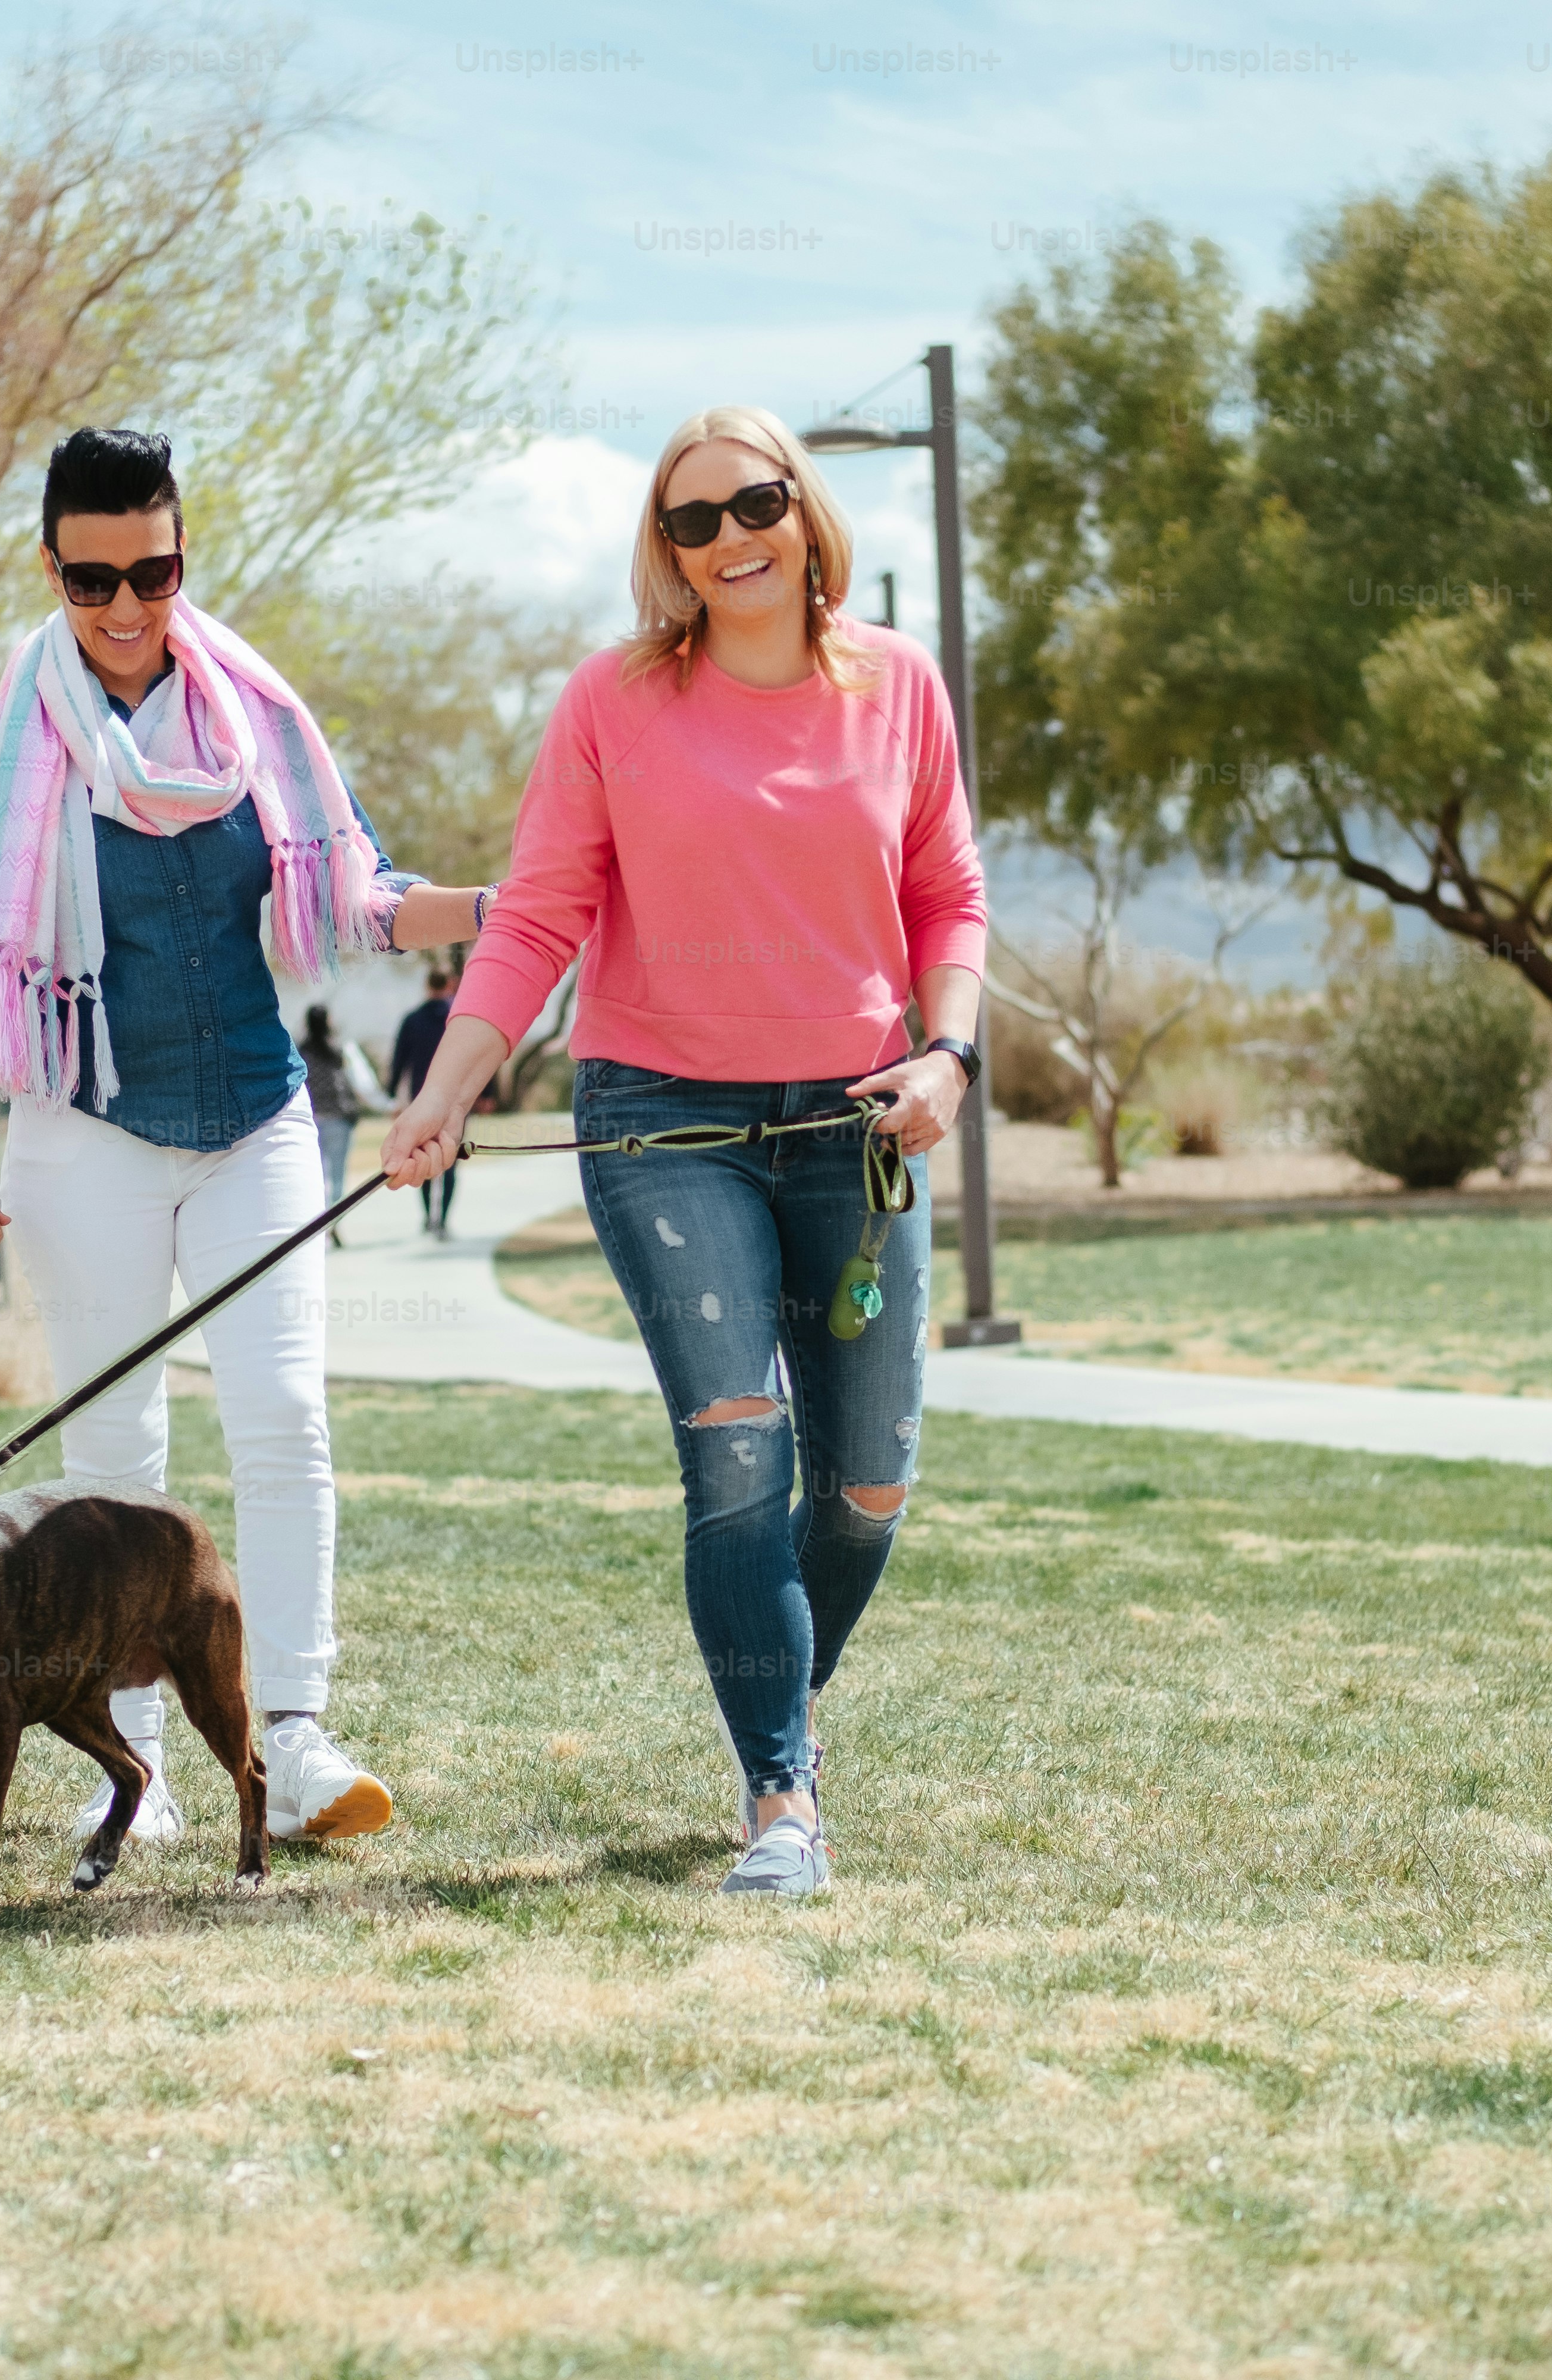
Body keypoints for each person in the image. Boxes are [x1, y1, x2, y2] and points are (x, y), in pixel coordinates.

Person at [381, 405, 986, 1900]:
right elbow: (533, 916)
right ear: (665, 550)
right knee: (736, 1449)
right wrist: (451, 1086)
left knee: (864, 1489)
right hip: (662, 1122)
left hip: (854, 1121)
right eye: (691, 522)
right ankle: (780, 1789)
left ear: (804, 509)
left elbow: (949, 894)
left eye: (754, 504)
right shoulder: (617, 701)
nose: (729, 540)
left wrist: (952, 1053)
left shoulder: (898, 686)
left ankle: (773, 1683)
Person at [0, 426, 496, 1850]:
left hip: (253, 1117)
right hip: (81, 1130)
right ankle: (148, 1763)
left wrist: (521, 899)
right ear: (49, 569)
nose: (124, 607)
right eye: (92, 578)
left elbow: (364, 893)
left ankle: (289, 1738)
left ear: (184, 559)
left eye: (152, 573)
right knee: (119, 1462)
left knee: (286, 1421)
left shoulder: (260, 727)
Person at [388, 963, 461, 1241]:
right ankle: (442, 1219)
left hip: (423, 1099)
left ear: (428, 986)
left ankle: (428, 1217)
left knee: (425, 1159)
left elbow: (399, 1060)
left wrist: (392, 1094)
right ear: (448, 986)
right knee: (450, 1160)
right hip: (456, 1100)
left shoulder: (413, 1019)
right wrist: (487, 1094)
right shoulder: (457, 1017)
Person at [299, 1003, 379, 1247]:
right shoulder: (340, 1050)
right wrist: (385, 1104)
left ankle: (317, 1222)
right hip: (338, 1119)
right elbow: (362, 1083)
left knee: (316, 1175)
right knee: (337, 1174)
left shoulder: (300, 1052)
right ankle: (333, 1222)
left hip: (311, 1120)